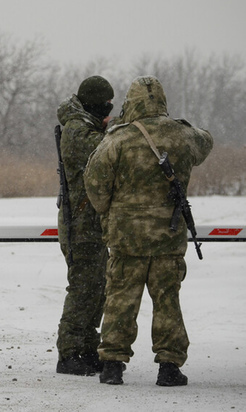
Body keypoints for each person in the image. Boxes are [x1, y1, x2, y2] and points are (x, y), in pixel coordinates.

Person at [83, 75, 213, 386]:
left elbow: (96, 185)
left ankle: (112, 364)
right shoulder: (183, 136)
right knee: (168, 300)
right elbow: (205, 141)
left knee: (120, 299)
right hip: (168, 236)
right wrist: (178, 128)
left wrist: (110, 211)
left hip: (127, 236)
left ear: (131, 101)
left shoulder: (118, 139)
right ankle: (169, 366)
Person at [55, 75, 114, 376]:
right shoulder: (78, 130)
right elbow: (105, 151)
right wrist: (119, 130)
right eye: (106, 106)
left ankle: (88, 348)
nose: (108, 111)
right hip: (79, 223)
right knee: (82, 289)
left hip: (91, 223)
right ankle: (69, 353)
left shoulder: (85, 125)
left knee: (97, 289)